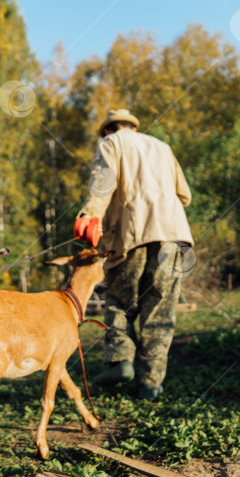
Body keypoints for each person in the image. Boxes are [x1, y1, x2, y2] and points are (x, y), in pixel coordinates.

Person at [73, 109, 194, 400]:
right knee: (160, 310)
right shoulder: (162, 147)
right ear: (133, 127)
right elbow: (184, 195)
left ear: (107, 130)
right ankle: (150, 385)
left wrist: (90, 215)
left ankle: (120, 360)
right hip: (174, 235)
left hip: (133, 233)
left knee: (119, 300)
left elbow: (103, 182)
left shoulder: (111, 144)